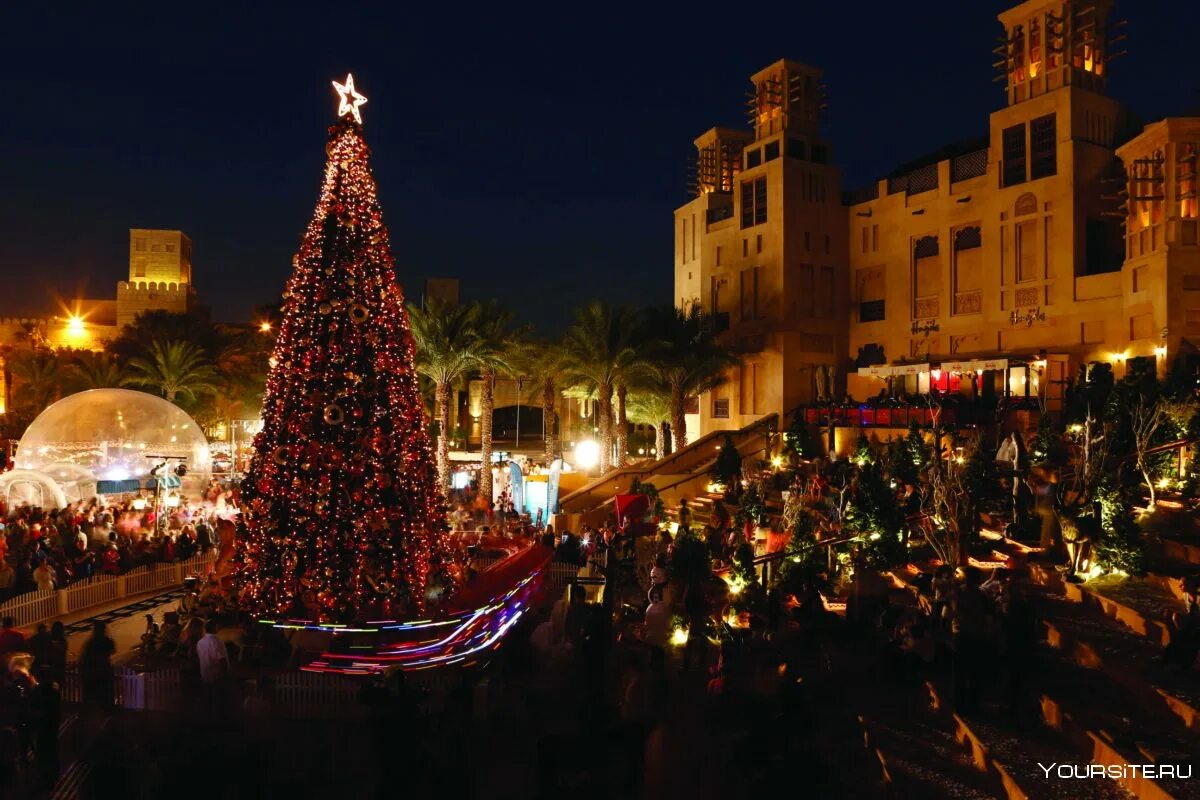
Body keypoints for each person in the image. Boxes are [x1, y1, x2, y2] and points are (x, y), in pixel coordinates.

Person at [950, 567, 990, 715]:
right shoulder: (981, 594)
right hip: (976, 636)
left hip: (962, 635)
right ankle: (973, 706)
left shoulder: (957, 593)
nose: (956, 576)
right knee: (974, 673)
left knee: (960, 672)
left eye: (958, 573)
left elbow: (952, 612)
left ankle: (959, 706)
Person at [80, 621, 116, 712]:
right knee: (106, 692)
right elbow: (113, 650)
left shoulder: (91, 642)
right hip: (104, 669)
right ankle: (106, 709)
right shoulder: (107, 641)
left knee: (94, 693)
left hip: (93, 671)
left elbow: (84, 655)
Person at [196, 618, 229, 687]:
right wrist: (224, 675)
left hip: (204, 675)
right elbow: (222, 660)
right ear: (215, 628)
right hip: (216, 677)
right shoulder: (217, 641)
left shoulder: (200, 642)